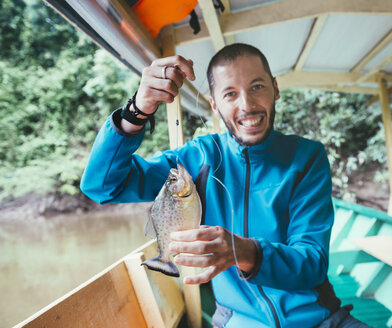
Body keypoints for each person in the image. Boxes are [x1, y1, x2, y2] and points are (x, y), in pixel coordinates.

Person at [81, 43, 370, 328]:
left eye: (257, 87)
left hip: (321, 319)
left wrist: (242, 251)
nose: (247, 105)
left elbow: (313, 264)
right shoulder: (196, 160)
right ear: (215, 104)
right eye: (230, 93)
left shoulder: (307, 157)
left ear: (275, 89)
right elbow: (103, 187)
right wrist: (136, 111)